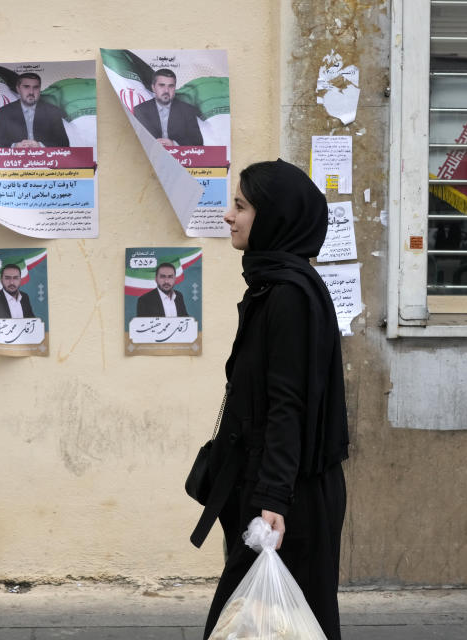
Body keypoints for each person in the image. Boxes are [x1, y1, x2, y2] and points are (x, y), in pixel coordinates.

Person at [193, 159, 350, 640]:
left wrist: (272, 500)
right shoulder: (275, 284)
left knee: (252, 625)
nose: (228, 216)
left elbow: (289, 404)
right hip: (274, 487)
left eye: (240, 205)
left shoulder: (288, 295)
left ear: (274, 216)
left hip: (286, 499)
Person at [0, 72, 69, 148]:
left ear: (39, 89)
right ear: (18, 89)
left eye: (35, 87)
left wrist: (40, 145)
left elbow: (64, 143)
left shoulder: (53, 111)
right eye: (26, 87)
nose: (31, 92)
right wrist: (15, 146)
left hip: (45, 159)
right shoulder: (5, 112)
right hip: (16, 159)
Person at [133, 69, 204, 147]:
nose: (166, 90)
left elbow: (198, 142)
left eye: (171, 86)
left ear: (174, 88)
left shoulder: (188, 110)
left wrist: (174, 144)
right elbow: (134, 140)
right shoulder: (140, 110)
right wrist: (152, 144)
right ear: (153, 87)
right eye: (162, 85)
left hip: (180, 157)